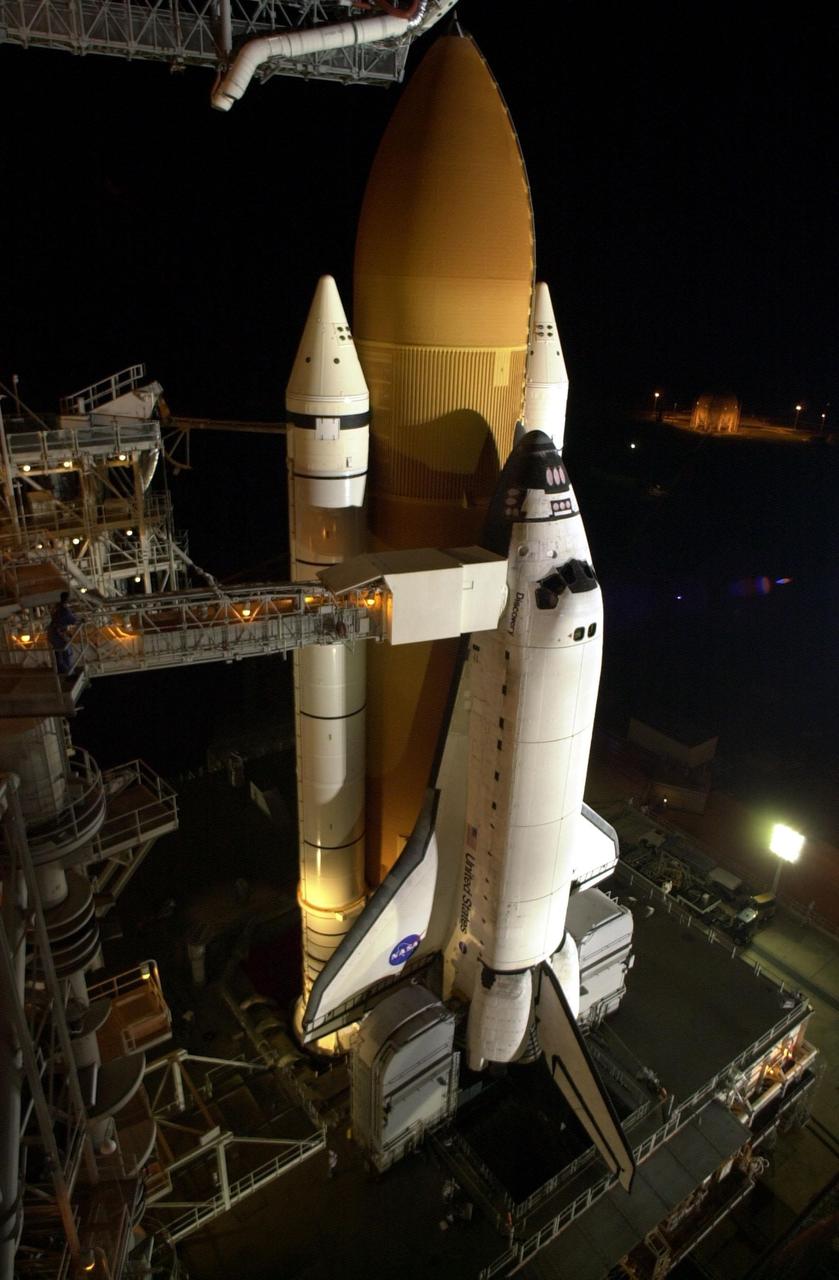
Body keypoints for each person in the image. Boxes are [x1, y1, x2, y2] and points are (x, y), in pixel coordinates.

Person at [47, 591, 79, 675]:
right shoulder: (64, 610)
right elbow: (73, 620)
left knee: (58, 653)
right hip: (57, 634)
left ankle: (61, 670)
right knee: (66, 652)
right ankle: (68, 672)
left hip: (53, 632)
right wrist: (81, 620)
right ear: (67, 599)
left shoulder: (57, 607)